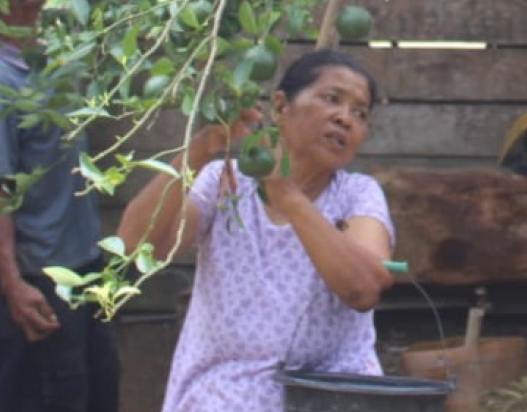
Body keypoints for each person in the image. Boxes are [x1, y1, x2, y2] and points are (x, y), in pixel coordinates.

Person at [118, 48, 395, 412]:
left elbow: (363, 288)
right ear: (281, 107)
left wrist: (287, 195)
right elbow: (136, 246)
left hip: (329, 401)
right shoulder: (223, 181)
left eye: (360, 113)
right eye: (332, 99)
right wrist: (200, 150)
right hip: (218, 398)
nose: (345, 118)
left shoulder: (358, 194)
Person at [0, 0, 120, 412]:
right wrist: (13, 281)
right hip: (37, 277)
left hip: (80, 265)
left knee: (96, 388)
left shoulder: (42, 62)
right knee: (43, 397)